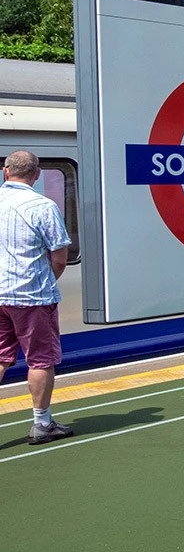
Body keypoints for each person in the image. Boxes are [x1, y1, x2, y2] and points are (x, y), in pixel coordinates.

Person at [0, 150, 74, 445]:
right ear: (37, 174)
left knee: (2, 356)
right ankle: (42, 423)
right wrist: (45, 283)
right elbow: (59, 257)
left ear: (6, 171)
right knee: (40, 360)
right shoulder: (43, 206)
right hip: (32, 297)